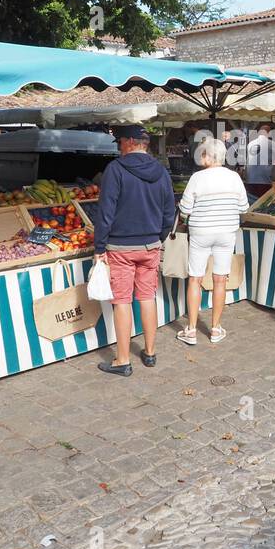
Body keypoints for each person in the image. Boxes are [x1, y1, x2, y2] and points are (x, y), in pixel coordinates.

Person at [93, 124, 176, 377]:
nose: (118, 146)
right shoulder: (161, 171)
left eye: (119, 142)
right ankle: (150, 352)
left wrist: (99, 247)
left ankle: (122, 360)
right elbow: (169, 211)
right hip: (150, 246)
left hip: (120, 247)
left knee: (122, 302)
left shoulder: (115, 170)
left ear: (130, 142)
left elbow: (105, 212)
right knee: (147, 297)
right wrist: (157, 237)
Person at [175, 138, 250, 347]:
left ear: (208, 156)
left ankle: (191, 330)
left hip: (200, 233)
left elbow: (185, 210)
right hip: (226, 232)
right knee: (220, 279)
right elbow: (244, 207)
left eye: (203, 154)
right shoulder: (234, 177)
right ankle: (216, 328)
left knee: (195, 279)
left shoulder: (197, 178)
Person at [245, 123, 275, 195]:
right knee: (263, 201)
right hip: (264, 180)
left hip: (250, 179)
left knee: (253, 202)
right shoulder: (271, 143)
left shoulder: (250, 144)